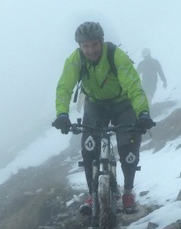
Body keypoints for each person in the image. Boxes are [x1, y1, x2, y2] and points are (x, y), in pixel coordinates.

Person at [52, 21, 155, 214]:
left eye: (94, 45)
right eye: (85, 46)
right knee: (89, 146)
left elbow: (134, 86)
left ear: (101, 42)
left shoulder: (116, 55)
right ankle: (93, 195)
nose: (90, 50)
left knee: (128, 144)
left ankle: (128, 192)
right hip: (95, 104)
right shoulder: (76, 60)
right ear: (80, 46)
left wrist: (142, 113)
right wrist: (62, 114)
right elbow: (64, 88)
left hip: (122, 103)